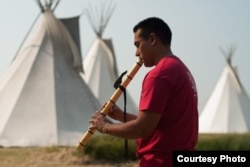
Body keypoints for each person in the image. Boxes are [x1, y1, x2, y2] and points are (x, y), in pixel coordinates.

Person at [89, 17, 198, 167]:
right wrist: (122, 117)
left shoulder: (159, 74)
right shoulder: (181, 70)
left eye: (138, 44)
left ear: (152, 39)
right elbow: (156, 123)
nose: (136, 53)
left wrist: (105, 127)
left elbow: (142, 129)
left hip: (161, 161)